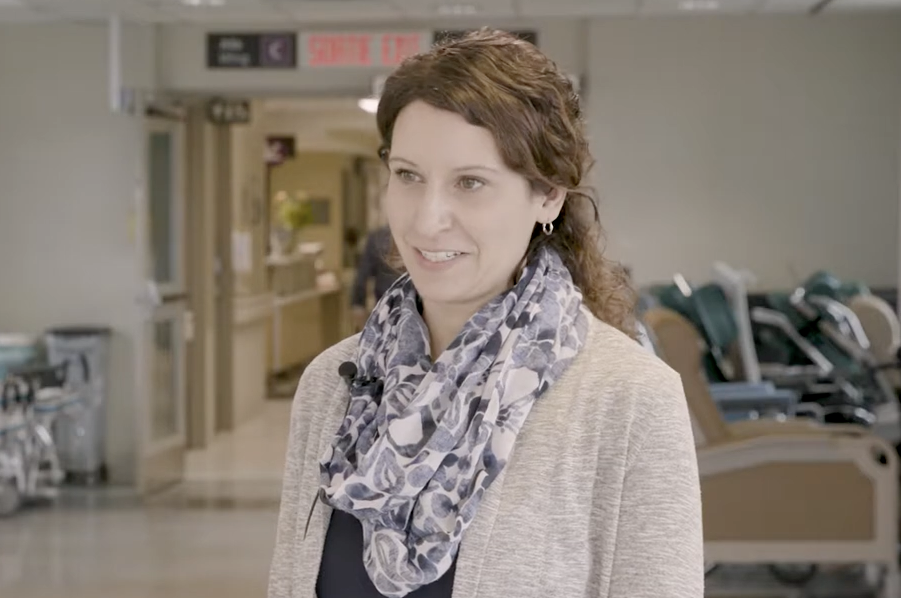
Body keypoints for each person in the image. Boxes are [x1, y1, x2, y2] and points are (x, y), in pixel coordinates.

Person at [268, 28, 703, 598]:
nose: (427, 220)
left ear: (548, 195)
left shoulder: (628, 399)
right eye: (408, 176)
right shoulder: (332, 386)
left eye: (470, 183)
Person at [349, 224, 399, 331]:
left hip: (385, 308)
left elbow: (362, 274)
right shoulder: (416, 237)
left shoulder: (377, 237)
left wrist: (358, 303)